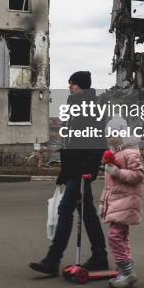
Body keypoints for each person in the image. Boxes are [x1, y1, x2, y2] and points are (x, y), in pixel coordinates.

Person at [29, 71, 108, 276]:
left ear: (82, 86)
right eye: (69, 83)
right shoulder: (74, 106)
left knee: (65, 210)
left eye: (73, 84)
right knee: (87, 213)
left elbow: (98, 142)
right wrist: (64, 171)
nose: (70, 86)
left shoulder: (92, 108)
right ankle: (100, 256)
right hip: (72, 170)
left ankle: (53, 260)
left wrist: (89, 170)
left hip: (82, 172)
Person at [100, 116, 144, 288]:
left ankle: (128, 272)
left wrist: (118, 172)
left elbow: (138, 175)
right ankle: (125, 268)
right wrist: (103, 203)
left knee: (115, 236)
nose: (109, 137)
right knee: (121, 236)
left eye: (112, 134)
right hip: (117, 202)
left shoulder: (130, 152)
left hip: (126, 201)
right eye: (108, 134)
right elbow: (108, 185)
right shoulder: (114, 154)